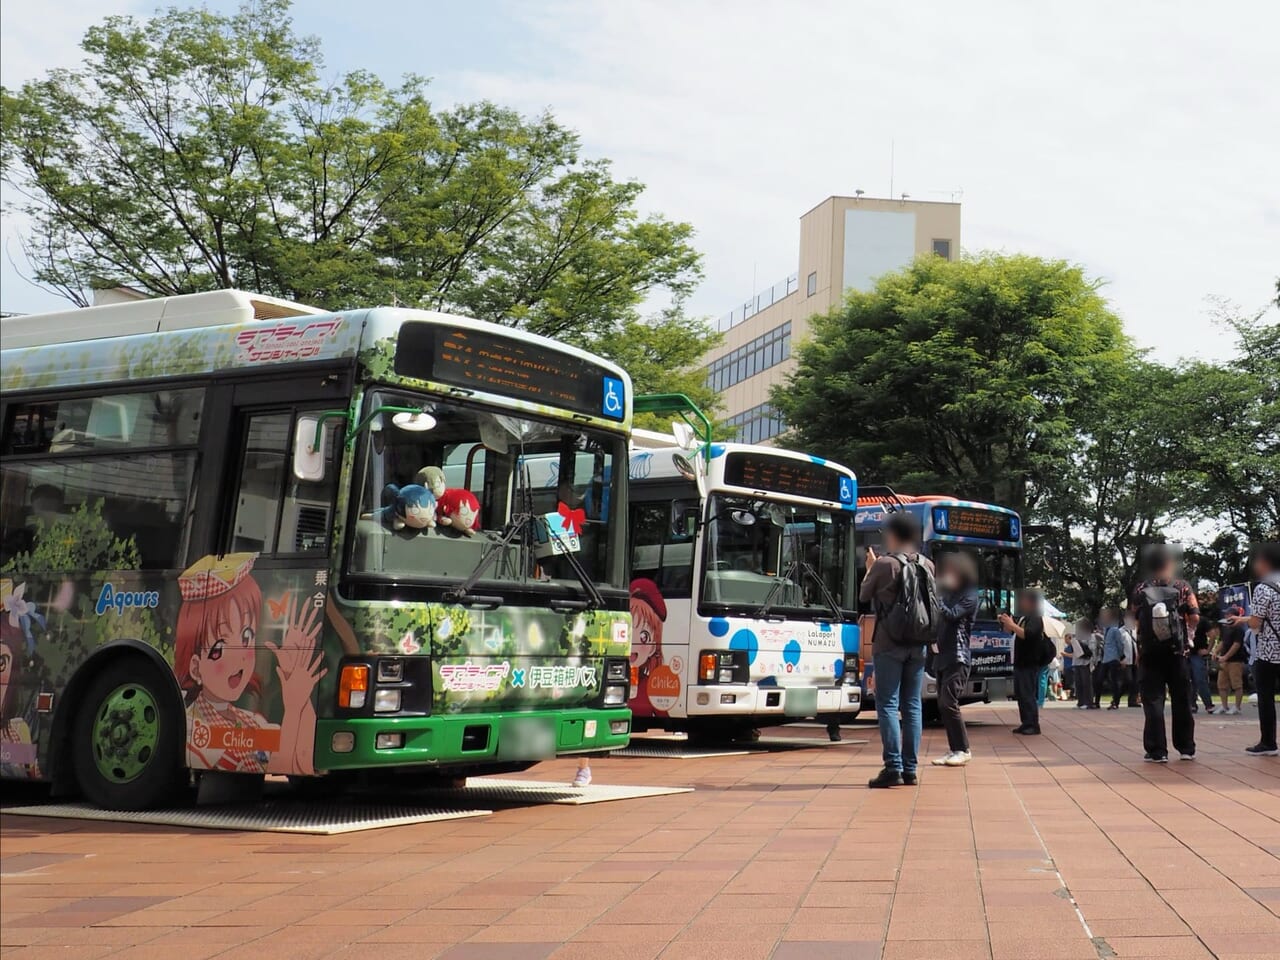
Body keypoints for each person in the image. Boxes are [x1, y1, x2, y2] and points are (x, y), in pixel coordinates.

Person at [860, 512, 934, 788]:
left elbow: (864, 595)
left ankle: (893, 766)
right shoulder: (928, 565)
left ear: (892, 535)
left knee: (888, 704)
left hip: (889, 643)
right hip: (918, 643)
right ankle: (911, 769)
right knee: (912, 705)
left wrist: (871, 567)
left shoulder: (885, 564)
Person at [1131, 545, 1199, 763]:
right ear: (1170, 563)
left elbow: (1136, 620)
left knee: (1153, 701)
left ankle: (1157, 750)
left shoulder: (1141, 588)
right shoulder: (1182, 586)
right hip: (1177, 651)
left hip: (1150, 653)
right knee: (1181, 699)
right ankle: (1186, 748)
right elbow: (1195, 616)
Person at [1227, 542, 1280, 756]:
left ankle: (1268, 743)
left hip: (1269, 652)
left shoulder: (1263, 588)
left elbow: (1257, 623)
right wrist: (1242, 619)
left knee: (1266, 697)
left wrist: (1243, 621)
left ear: (1266, 563)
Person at [931, 551, 978, 767]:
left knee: (949, 703)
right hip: (943, 655)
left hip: (958, 656)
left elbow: (950, 615)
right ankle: (954, 749)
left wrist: (938, 597)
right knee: (942, 705)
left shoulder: (969, 596)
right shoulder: (949, 594)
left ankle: (963, 749)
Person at [999, 589, 1049, 736]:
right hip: (1020, 662)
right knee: (1021, 694)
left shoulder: (1035, 618)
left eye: (1024, 600)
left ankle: (1033, 724)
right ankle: (1025, 722)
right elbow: (1013, 633)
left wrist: (1012, 625)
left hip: (1029, 662)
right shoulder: (1024, 618)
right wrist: (1006, 623)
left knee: (1027, 694)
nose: (1021, 603)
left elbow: (1029, 635)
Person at [1212, 615, 1248, 715]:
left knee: (1236, 684)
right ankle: (1224, 706)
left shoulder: (1238, 630)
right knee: (1221, 684)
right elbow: (1223, 642)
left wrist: (1226, 657)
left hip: (1235, 660)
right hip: (1224, 661)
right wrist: (1216, 652)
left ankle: (1237, 707)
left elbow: (1236, 645)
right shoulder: (1226, 629)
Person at [1097, 608, 1130, 709]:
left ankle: (1115, 702)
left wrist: (1121, 656)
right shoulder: (1105, 630)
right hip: (1105, 658)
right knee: (1099, 680)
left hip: (1113, 658)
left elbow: (1120, 644)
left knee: (1114, 681)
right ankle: (1096, 701)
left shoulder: (1115, 630)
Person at [1066, 617, 1096, 709]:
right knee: (1078, 683)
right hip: (1076, 662)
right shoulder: (1077, 636)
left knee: (1086, 683)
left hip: (1085, 662)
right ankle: (1080, 702)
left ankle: (1088, 702)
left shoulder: (1090, 636)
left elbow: (1092, 649)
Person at [1188, 619, 1215, 713]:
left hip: (1196, 654)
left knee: (1200, 678)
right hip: (1185, 653)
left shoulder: (1202, 621)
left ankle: (1208, 704)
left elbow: (1212, 634)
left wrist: (1208, 650)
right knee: (1188, 680)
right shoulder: (1180, 619)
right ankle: (1192, 704)